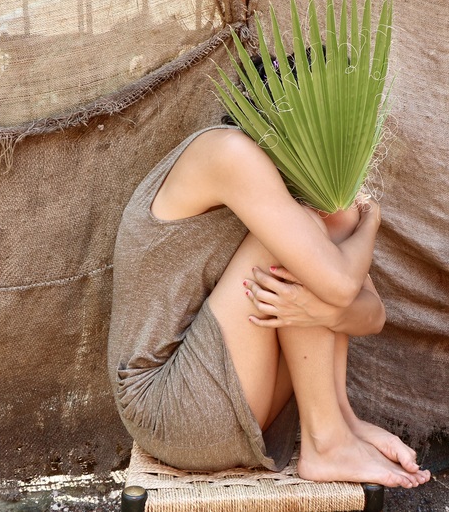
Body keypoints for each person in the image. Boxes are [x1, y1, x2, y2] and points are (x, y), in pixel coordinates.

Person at [108, 117, 431, 489]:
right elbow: (342, 286)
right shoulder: (228, 154)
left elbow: (373, 316)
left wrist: (318, 309)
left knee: (333, 218)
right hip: (169, 408)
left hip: (238, 400)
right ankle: (325, 442)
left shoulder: (299, 188)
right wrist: (371, 220)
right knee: (309, 241)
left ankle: (340, 420)